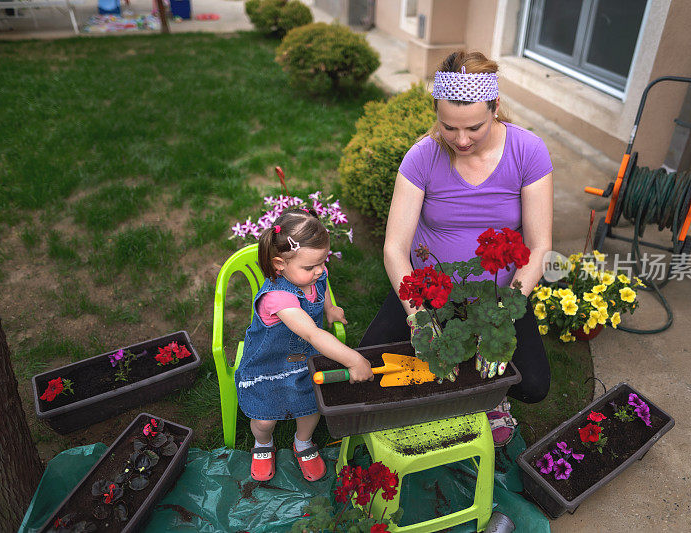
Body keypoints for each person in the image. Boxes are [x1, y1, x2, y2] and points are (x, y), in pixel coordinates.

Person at [360, 50, 553, 446]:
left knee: (534, 385)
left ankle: (486, 394)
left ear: (496, 107)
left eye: (474, 128)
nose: (461, 140)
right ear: (436, 113)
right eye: (449, 127)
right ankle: (468, 388)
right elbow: (395, 248)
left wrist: (501, 318)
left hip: (498, 295)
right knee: (367, 363)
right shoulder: (422, 156)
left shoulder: (528, 151)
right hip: (431, 291)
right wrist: (417, 316)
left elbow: (539, 246)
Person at [236, 208, 374, 482]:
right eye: (311, 266)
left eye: (323, 261)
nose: (320, 271)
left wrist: (330, 307)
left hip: (304, 359)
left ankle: (303, 441)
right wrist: (355, 360)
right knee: (264, 419)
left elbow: (322, 285)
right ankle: (263, 444)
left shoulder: (312, 272)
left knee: (310, 408)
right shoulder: (277, 298)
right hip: (270, 362)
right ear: (279, 265)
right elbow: (313, 334)